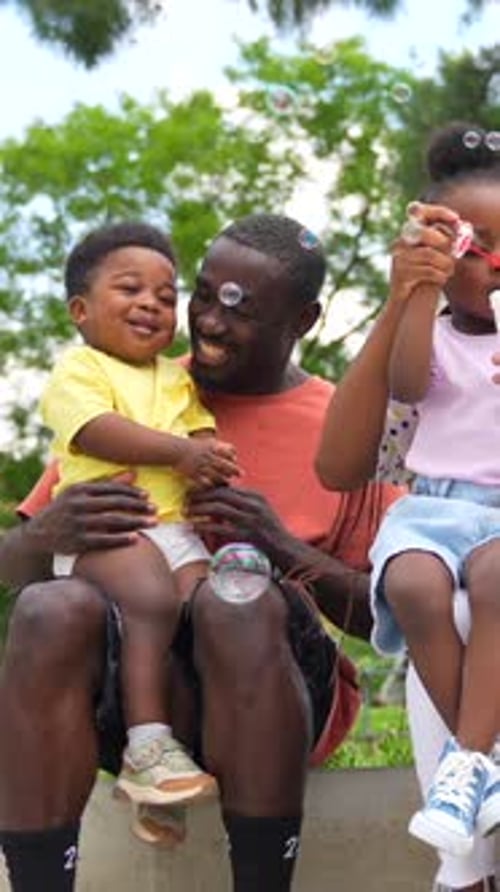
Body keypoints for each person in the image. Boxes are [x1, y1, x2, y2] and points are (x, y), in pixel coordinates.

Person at [0, 212, 401, 892]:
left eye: (241, 309)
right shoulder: (128, 388)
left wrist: (279, 549)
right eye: (205, 295)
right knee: (51, 606)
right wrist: (41, 538)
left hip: (275, 688)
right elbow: (15, 568)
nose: (209, 322)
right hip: (137, 696)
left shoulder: (346, 429)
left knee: (232, 594)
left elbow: (388, 620)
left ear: (302, 322)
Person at [316, 121, 500, 892]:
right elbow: (345, 461)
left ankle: (469, 768)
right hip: (439, 526)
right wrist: (408, 295)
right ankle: (472, 778)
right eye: (474, 244)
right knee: (433, 596)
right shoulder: (428, 350)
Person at [39, 221, 240, 809]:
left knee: (214, 610)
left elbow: (199, 428)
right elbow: (96, 431)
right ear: (81, 309)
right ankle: (146, 747)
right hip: (110, 529)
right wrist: (182, 453)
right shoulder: (80, 370)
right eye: (130, 290)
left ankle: (170, 786)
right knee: (151, 603)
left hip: (174, 531)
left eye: (165, 295)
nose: (151, 303)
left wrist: (211, 453)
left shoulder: (174, 379)